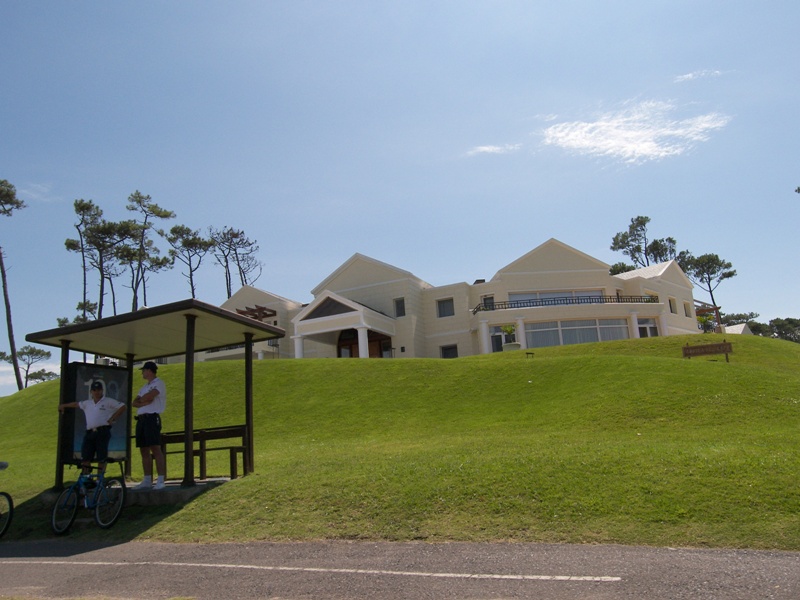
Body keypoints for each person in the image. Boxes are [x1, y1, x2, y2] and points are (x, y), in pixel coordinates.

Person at [59, 381, 126, 478]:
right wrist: (64, 405)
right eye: (94, 390)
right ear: (91, 392)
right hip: (90, 432)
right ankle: (86, 479)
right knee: (85, 457)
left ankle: (100, 479)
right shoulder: (87, 403)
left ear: (102, 391)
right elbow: (76, 404)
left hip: (102, 431)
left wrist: (113, 418)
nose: (97, 392)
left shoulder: (108, 401)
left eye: (99, 390)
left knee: (101, 457)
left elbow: (122, 406)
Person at [132, 361, 167, 490]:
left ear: (150, 371)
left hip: (152, 418)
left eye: (144, 370)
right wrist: (142, 402)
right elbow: (134, 402)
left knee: (155, 448)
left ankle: (161, 479)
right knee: (143, 449)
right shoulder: (144, 387)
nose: (142, 373)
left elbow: (151, 396)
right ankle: (147, 479)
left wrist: (144, 399)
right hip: (141, 419)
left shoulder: (159, 383)